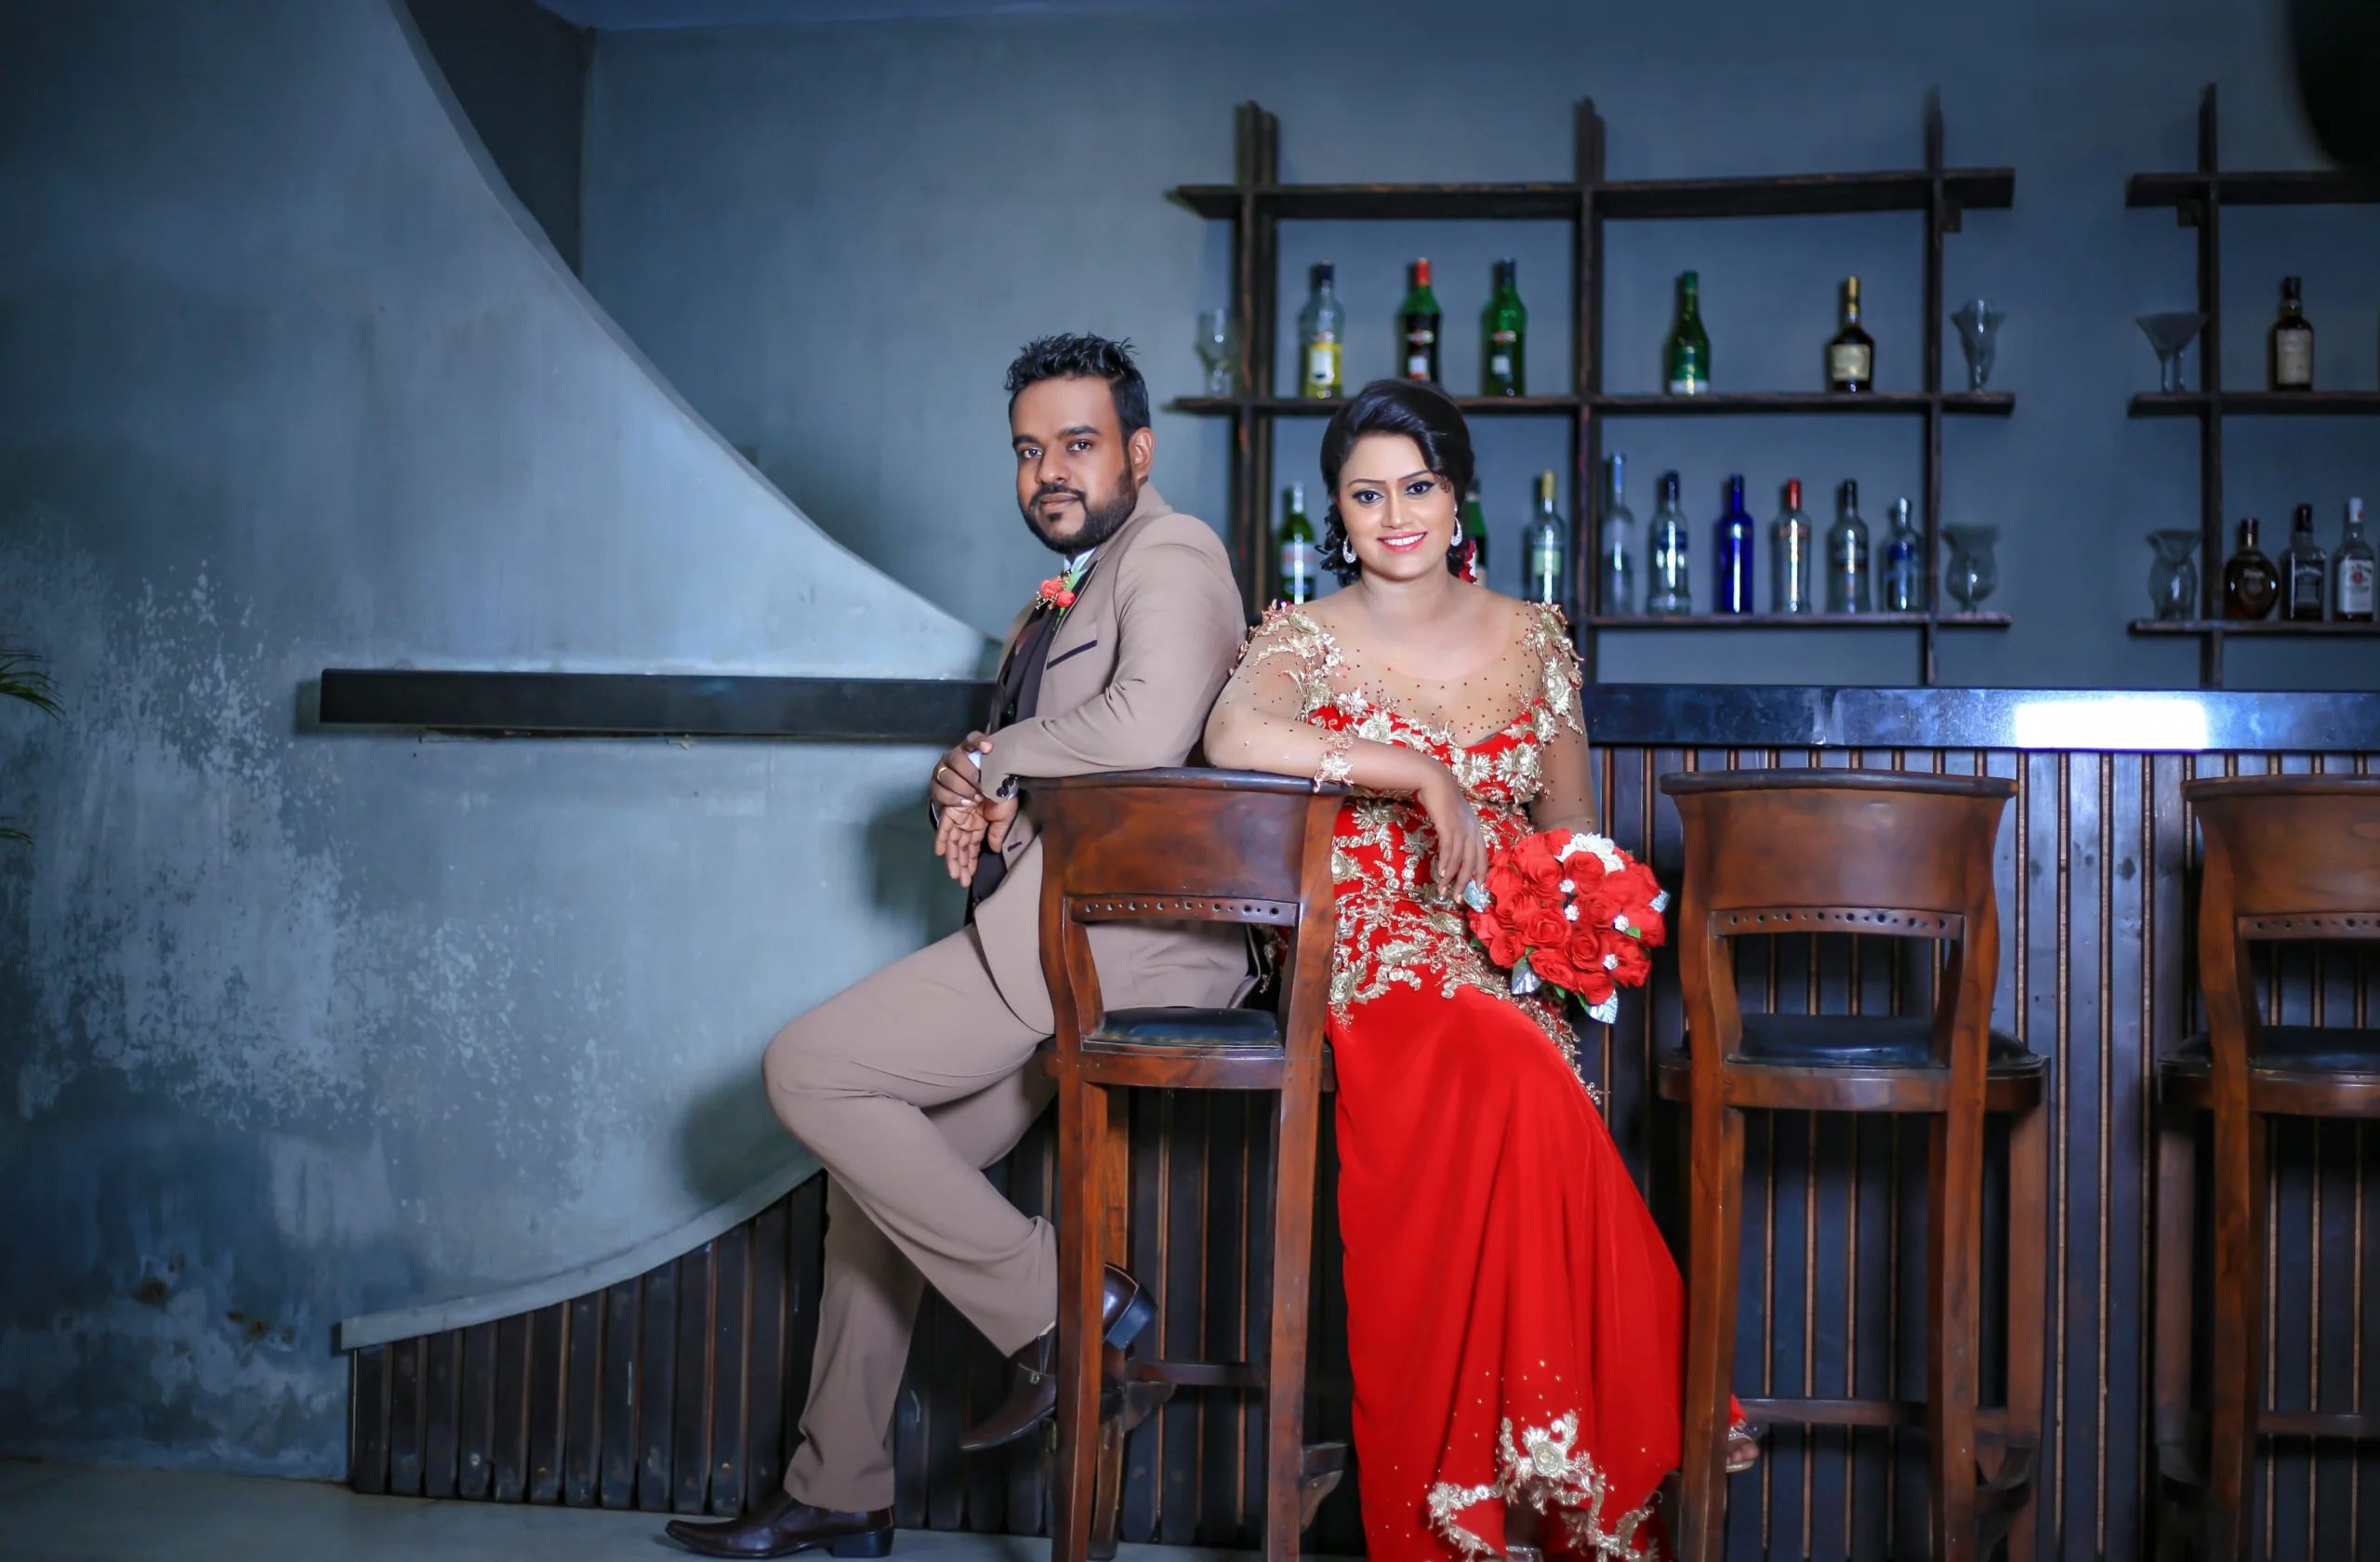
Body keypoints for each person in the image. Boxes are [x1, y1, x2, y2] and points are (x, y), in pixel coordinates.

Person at [666, 335, 1249, 1559]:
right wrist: (972, 794)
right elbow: (1058, 764)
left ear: (1139, 452)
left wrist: (997, 760)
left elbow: (1148, 725)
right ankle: (842, 1483)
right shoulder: (1055, 603)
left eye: (1078, 444)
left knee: (809, 1070)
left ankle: (1068, 1303)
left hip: (1127, 946)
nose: (1051, 471)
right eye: (1030, 450)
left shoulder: (1176, 553)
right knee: (886, 1179)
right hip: (1048, 929)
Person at [1202, 379, 1755, 1562]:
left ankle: (1591, 1449)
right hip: (1371, 954)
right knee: (1509, 1067)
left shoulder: (1536, 639)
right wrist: (1412, 770)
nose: (1393, 513)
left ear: (1457, 498)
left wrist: (1575, 937)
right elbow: (1233, 739)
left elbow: (1576, 842)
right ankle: (1672, 1395)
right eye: (1365, 494)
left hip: (1504, 962)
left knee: (1528, 1066)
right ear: (1335, 513)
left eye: (1415, 486)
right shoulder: (1301, 639)